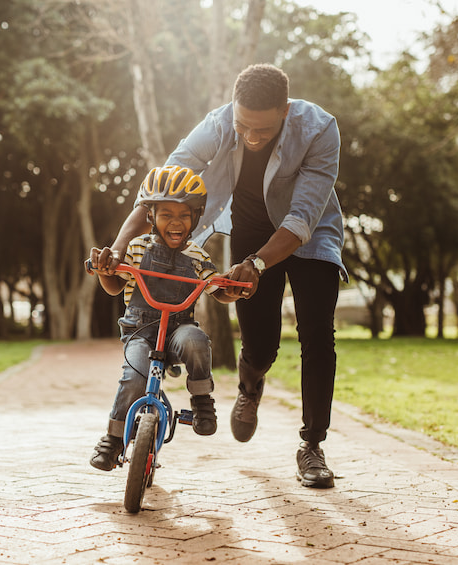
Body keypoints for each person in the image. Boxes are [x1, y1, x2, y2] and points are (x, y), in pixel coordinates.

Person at [96, 63, 347, 488]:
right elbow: (162, 186)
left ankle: (312, 445)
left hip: (311, 232)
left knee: (317, 335)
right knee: (262, 345)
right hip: (251, 228)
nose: (251, 137)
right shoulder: (217, 123)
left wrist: (259, 265)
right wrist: (119, 247)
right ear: (233, 108)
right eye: (243, 126)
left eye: (262, 131)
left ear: (285, 111)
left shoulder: (320, 129)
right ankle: (251, 384)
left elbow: (302, 216)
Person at [87, 165, 240, 472]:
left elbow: (217, 289)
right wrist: (105, 271)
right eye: (166, 214)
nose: (175, 222)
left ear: (196, 217)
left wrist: (233, 288)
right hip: (140, 331)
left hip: (178, 330)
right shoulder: (136, 247)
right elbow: (115, 284)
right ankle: (113, 439)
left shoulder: (198, 256)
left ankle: (201, 400)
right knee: (134, 376)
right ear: (151, 217)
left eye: (184, 215)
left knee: (197, 342)